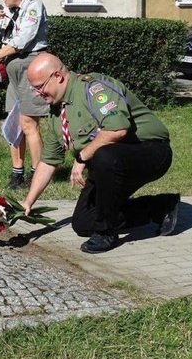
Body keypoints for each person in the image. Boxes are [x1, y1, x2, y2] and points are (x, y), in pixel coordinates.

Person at [22, 53, 180, 254]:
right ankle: (160, 206)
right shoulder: (57, 111)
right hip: (110, 164)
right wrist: (28, 202)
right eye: (34, 88)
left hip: (151, 151)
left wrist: (81, 157)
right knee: (83, 223)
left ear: (58, 77)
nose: (37, 93)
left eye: (39, 87)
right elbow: (49, 161)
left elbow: (117, 130)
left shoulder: (93, 88)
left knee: (103, 155)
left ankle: (106, 233)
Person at [0, 0, 49, 190]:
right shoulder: (8, 11)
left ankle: (36, 173)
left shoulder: (33, 6)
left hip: (31, 67)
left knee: (29, 123)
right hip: (13, 70)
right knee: (13, 123)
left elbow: (22, 40)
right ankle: (16, 173)